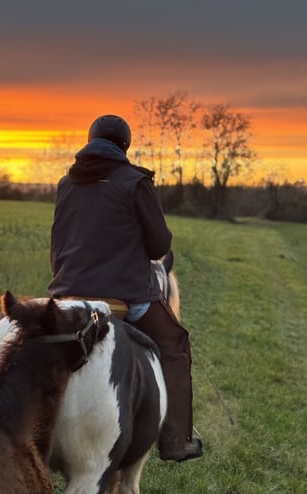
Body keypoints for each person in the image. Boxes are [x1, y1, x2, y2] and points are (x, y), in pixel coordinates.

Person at [48, 114, 203, 463]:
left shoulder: (66, 183)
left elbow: (57, 248)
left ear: (90, 142)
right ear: (125, 146)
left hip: (69, 292)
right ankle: (177, 438)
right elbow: (157, 245)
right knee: (175, 344)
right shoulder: (136, 182)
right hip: (126, 296)